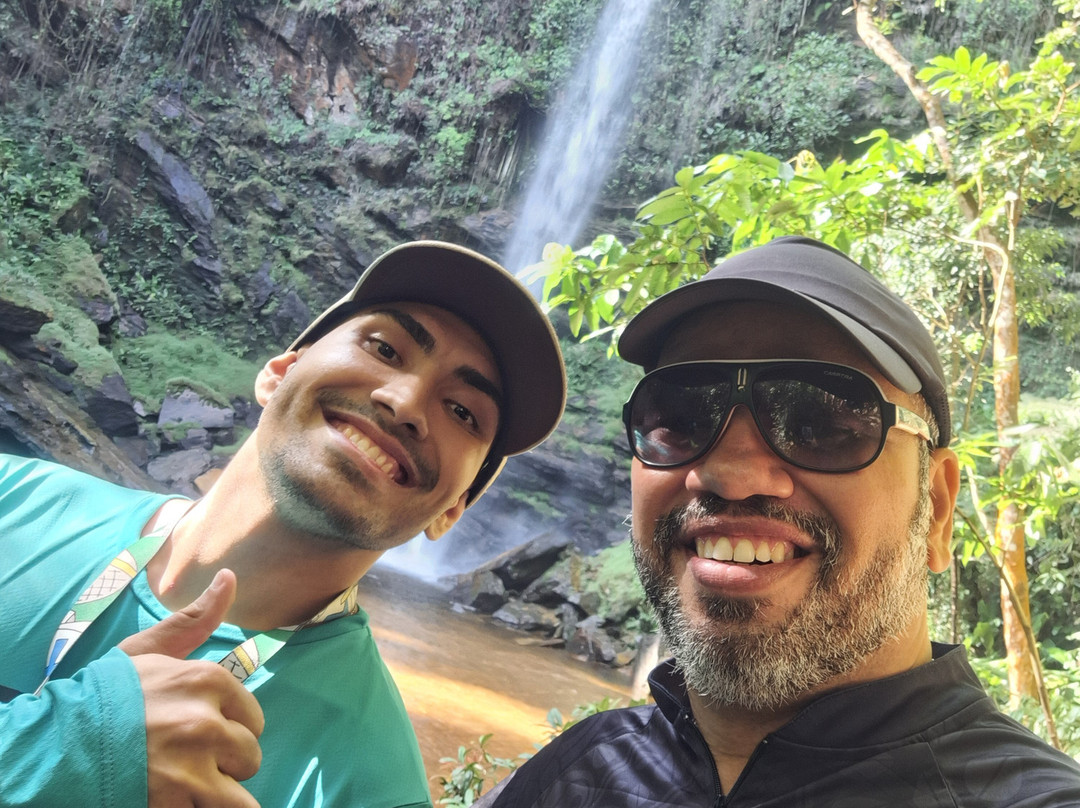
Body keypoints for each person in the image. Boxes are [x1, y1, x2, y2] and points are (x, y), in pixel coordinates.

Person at [477, 235, 1080, 807]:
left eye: (822, 424)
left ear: (937, 510)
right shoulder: (574, 775)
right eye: (680, 417)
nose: (730, 474)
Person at [0, 240, 566, 808]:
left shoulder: (375, 790)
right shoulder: (11, 496)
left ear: (453, 509)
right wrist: (71, 747)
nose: (405, 402)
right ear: (280, 371)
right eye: (384, 348)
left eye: (463, 411)